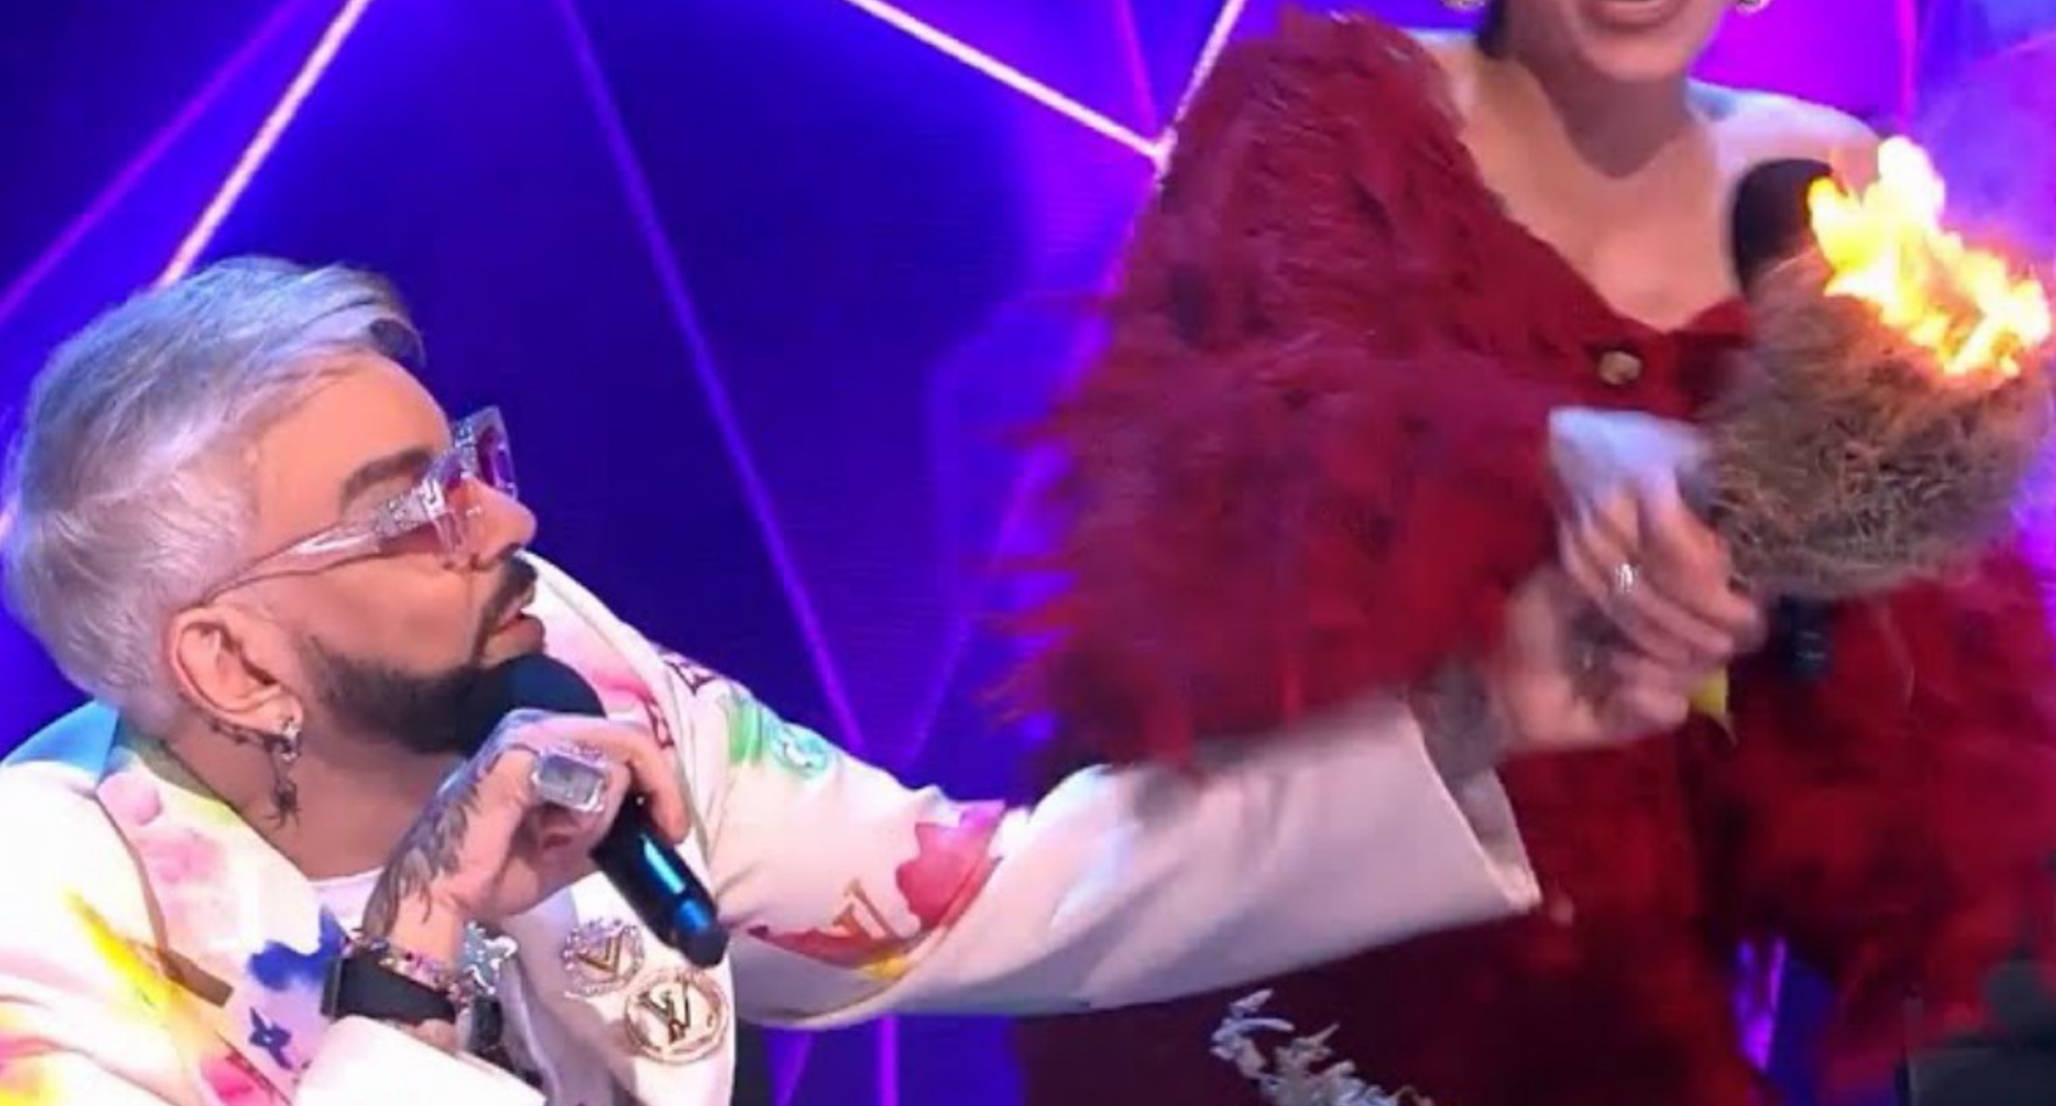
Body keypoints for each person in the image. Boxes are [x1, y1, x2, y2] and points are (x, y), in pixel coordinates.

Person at [0, 259, 1698, 1105]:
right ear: (229, 657)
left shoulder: (567, 674)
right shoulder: (48, 901)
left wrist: (1481, 710)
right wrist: (418, 948)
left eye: (472, 464)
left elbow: (977, 896)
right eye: (413, 510)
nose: (507, 520)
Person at [1006, 0, 2056, 1103]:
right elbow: (1223, 481)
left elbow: (1899, 824)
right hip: (1269, 1009)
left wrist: (1870, 549)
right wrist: (1544, 451)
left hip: (1615, 1033)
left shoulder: (1834, 198)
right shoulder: (1323, 122)